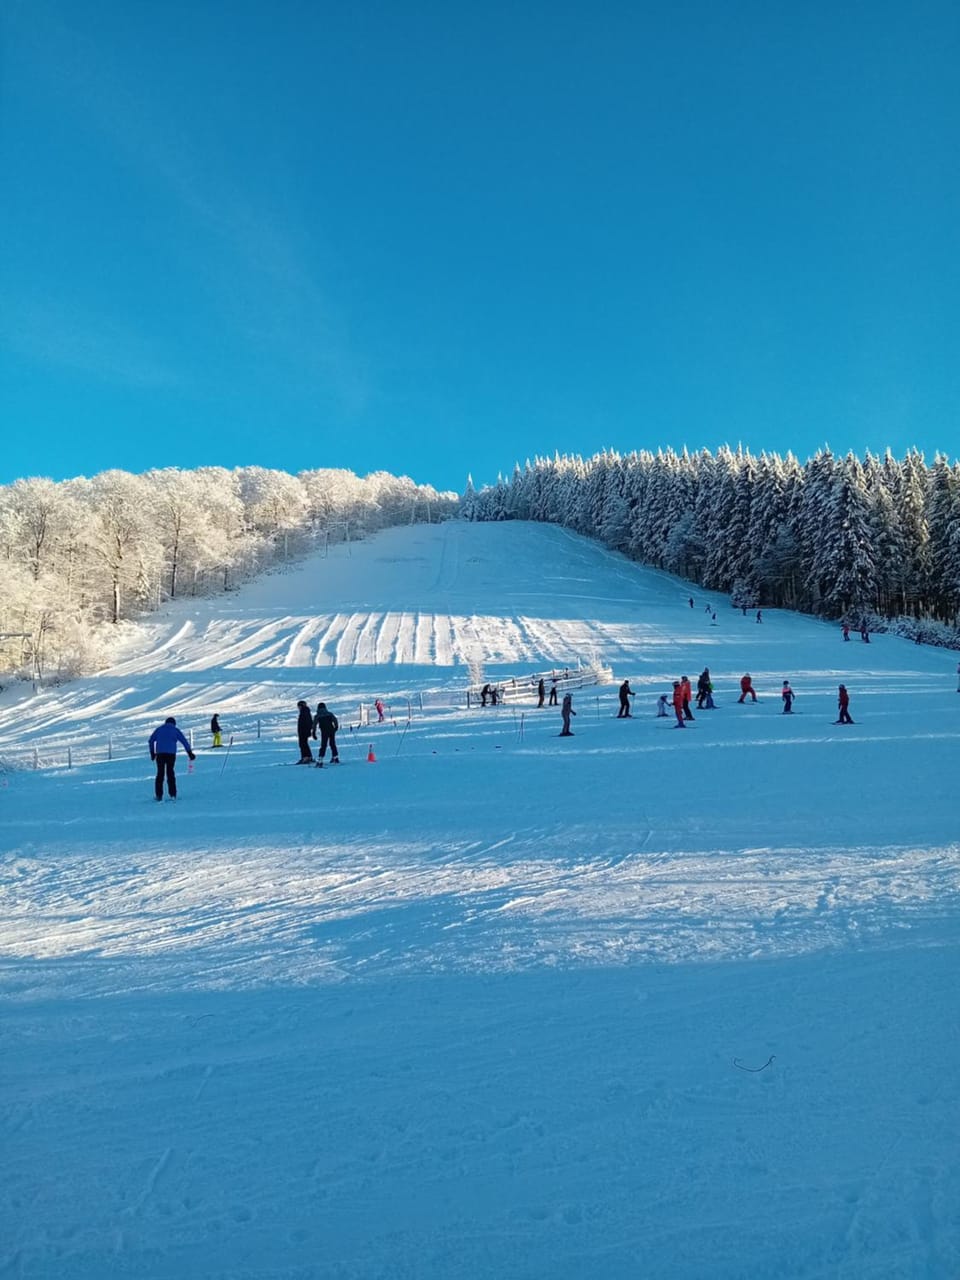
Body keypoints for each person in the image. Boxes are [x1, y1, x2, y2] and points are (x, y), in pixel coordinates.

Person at [148, 716, 196, 801]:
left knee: (160, 774)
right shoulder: (175, 730)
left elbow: (151, 740)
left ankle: (159, 795)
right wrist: (190, 753)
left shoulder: (159, 729)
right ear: (174, 723)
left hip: (160, 754)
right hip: (171, 755)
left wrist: (152, 752)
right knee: (170, 773)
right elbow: (184, 742)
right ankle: (173, 794)